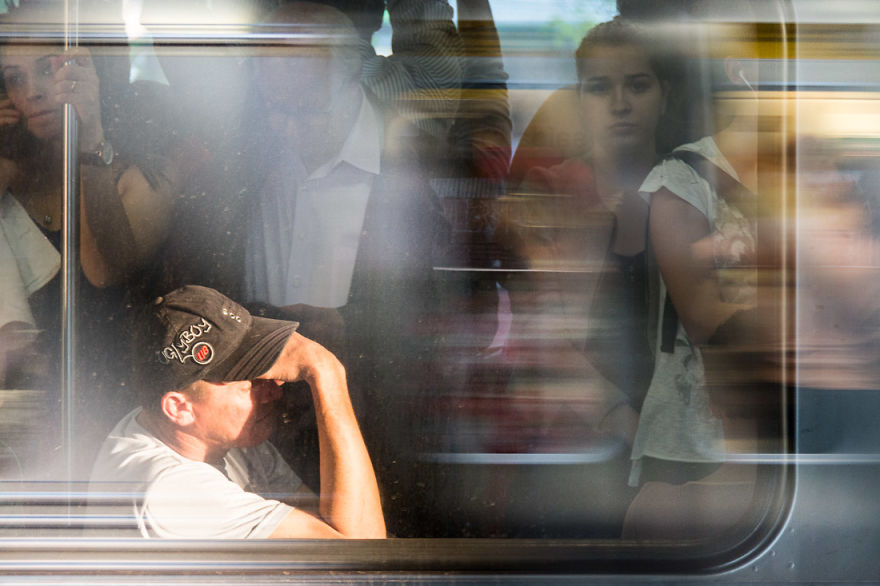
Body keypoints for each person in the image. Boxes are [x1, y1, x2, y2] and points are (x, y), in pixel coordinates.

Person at [88, 285, 385, 539]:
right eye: (250, 382)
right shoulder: (171, 494)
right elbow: (361, 552)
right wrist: (326, 371)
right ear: (179, 408)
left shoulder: (217, 436)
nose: (273, 391)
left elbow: (343, 525)